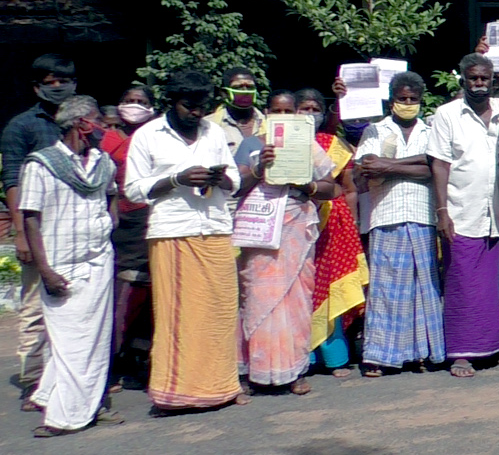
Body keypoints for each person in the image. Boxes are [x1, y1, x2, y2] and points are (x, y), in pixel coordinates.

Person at [124, 70, 246, 411]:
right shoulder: (148, 135)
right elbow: (133, 189)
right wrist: (176, 179)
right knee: (179, 315)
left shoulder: (214, 132)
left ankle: (222, 386)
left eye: (202, 107)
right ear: (171, 102)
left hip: (216, 228)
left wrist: (221, 178)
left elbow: (235, 177)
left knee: (220, 310)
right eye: (189, 106)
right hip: (173, 232)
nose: (196, 113)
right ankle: (176, 392)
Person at [20, 95, 122, 436]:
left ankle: (90, 404)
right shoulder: (41, 165)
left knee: (95, 338)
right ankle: (65, 416)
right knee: (72, 340)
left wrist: (110, 222)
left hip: (98, 260)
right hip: (61, 264)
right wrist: (45, 270)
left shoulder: (102, 163)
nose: (105, 130)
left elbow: (111, 195)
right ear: (81, 124)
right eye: (99, 123)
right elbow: (31, 218)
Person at [236, 91, 339, 395]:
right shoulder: (252, 144)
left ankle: (294, 370)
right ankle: (252, 373)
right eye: (276, 111)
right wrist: (258, 168)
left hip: (296, 228)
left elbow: (330, 187)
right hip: (260, 230)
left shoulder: (308, 145)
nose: (283, 115)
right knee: (257, 298)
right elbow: (234, 185)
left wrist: (306, 184)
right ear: (267, 113)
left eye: (288, 111)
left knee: (295, 300)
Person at [354, 72, 445, 376]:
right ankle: (380, 356)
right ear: (392, 100)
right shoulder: (374, 131)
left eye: (413, 99)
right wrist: (414, 165)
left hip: (421, 215)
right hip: (386, 216)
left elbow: (435, 168)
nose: (407, 104)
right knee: (387, 290)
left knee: (423, 288)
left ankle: (421, 353)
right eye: (402, 99)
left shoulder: (431, 130)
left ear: (421, 100)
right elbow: (368, 170)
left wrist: (390, 165)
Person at [427, 53, 499, 377]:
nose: (479, 84)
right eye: (473, 78)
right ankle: (461, 353)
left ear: (492, 80)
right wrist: (442, 211)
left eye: (484, 79)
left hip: (496, 212)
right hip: (461, 211)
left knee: (491, 287)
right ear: (463, 79)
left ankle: (490, 347)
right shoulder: (447, 114)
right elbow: (439, 164)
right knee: (461, 282)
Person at [5, 54, 74, 409]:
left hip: (72, 229)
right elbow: (12, 180)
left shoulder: (78, 121)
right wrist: (19, 232)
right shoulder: (22, 126)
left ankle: (65, 375)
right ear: (37, 87)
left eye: (65, 80)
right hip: (37, 228)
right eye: (51, 82)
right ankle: (34, 381)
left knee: (70, 305)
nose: (59, 87)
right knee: (35, 306)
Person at [293, 88, 367, 378]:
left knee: (331, 289)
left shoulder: (333, 144)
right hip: (292, 226)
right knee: (298, 294)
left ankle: (335, 358)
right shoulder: (280, 142)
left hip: (333, 227)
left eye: (314, 109)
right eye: (303, 108)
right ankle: (304, 359)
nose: (309, 114)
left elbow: (348, 190)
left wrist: (353, 229)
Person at [101, 86, 158, 390]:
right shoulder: (105, 138)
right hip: (122, 222)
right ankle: (111, 361)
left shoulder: (157, 135)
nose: (135, 106)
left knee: (153, 294)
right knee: (125, 294)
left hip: (155, 218)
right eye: (130, 101)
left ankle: (140, 356)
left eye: (143, 102)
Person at [206, 67, 265, 155]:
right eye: (238, 87)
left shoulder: (267, 123)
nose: (245, 91)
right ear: (224, 93)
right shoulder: (208, 126)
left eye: (250, 87)